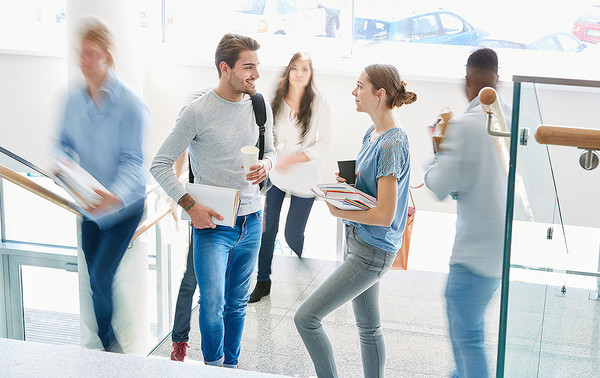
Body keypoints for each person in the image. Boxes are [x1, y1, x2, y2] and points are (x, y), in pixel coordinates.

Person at [150, 33, 276, 368]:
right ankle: (214, 367)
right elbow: (159, 164)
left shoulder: (260, 106)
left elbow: (272, 151)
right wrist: (189, 206)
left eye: (257, 66)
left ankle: (231, 367)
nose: (256, 75)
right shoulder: (196, 112)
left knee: (236, 303)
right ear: (225, 68)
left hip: (252, 220)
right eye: (248, 67)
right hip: (212, 224)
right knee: (212, 303)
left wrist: (266, 164)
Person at [294, 64, 416, 378]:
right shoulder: (373, 133)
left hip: (372, 252)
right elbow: (371, 189)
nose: (354, 91)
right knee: (369, 329)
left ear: (380, 94)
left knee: (306, 318)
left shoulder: (392, 142)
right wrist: (345, 186)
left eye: (360, 86)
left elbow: (384, 215)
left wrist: (338, 210)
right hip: (359, 243)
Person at [56, 18, 147, 352]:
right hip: (89, 205)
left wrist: (114, 196)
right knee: (94, 282)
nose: (83, 61)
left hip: (124, 208)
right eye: (80, 54)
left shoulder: (130, 104)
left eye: (90, 53)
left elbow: (133, 162)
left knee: (100, 277)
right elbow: (60, 143)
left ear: (107, 55)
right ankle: (105, 344)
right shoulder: (73, 101)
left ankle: (110, 346)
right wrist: (61, 162)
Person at [424, 48, 509, 378]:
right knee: (471, 335)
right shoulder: (513, 116)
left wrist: (435, 152)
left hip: (473, 253)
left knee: (468, 337)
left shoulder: (464, 124)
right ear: (497, 79)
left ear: (467, 81)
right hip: (502, 249)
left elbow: (441, 185)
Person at [248, 52, 332, 303]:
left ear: (310, 74)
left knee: (292, 234)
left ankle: (300, 272)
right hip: (277, 176)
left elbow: (323, 144)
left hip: (304, 179)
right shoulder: (275, 100)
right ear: (288, 71)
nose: (298, 74)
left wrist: (292, 159)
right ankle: (263, 281)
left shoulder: (319, 103)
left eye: (304, 69)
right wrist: (269, 160)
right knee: (267, 230)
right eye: (294, 68)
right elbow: (264, 134)